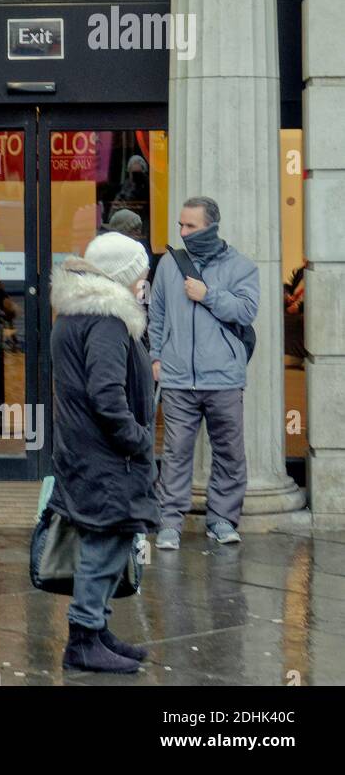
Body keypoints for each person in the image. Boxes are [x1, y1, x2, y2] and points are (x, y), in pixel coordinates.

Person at [49, 232, 160, 674]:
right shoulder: (108, 322)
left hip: (86, 449)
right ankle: (83, 639)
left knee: (106, 537)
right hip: (107, 453)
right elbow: (107, 394)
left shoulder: (74, 315)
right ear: (123, 276)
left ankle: (96, 631)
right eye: (140, 275)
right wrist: (137, 437)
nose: (144, 283)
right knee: (106, 541)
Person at [149, 195, 259, 549]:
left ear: (210, 226)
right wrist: (155, 357)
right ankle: (170, 523)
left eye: (190, 226)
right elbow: (157, 315)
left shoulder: (241, 266)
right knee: (176, 451)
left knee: (229, 451)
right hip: (179, 377)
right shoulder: (169, 264)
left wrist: (208, 294)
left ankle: (223, 519)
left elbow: (246, 311)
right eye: (180, 225)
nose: (182, 231)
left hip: (224, 378)